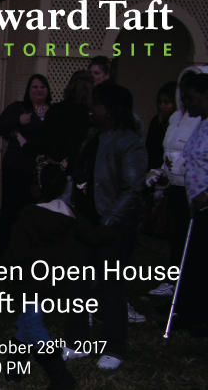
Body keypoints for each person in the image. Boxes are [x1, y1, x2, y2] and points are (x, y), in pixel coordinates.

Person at [2, 162, 114, 389]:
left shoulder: (29, 216)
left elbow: (17, 252)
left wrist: (6, 266)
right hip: (54, 281)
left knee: (34, 326)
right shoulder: (69, 213)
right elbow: (94, 237)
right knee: (27, 323)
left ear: (38, 188)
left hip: (29, 281)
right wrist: (114, 224)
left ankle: (62, 379)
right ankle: (14, 365)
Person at [66, 83, 147, 370]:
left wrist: (108, 222)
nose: (91, 107)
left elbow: (132, 189)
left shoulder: (128, 142)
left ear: (110, 110)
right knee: (75, 285)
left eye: (96, 103)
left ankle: (115, 348)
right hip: (85, 222)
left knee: (111, 288)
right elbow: (77, 177)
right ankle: (77, 342)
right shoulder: (92, 137)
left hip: (111, 226)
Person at [146, 67, 206, 298]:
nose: (186, 100)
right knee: (178, 238)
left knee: (194, 245)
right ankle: (176, 286)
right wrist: (162, 170)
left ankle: (191, 296)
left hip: (198, 191)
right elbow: (170, 149)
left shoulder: (201, 119)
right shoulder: (178, 118)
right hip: (179, 186)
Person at [0, 74, 52, 258]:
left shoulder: (53, 111)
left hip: (43, 171)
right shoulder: (19, 108)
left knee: (37, 214)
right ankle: (6, 253)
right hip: (17, 169)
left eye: (42, 86)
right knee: (13, 212)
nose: (39, 90)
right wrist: (19, 120)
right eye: (34, 87)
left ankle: (33, 253)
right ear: (28, 90)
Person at [175, 73, 208, 331]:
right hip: (195, 205)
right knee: (194, 262)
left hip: (206, 202)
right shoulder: (201, 123)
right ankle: (190, 312)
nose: (188, 105)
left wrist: (205, 195)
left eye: (193, 99)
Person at [23, 70, 93, 170]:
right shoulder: (92, 115)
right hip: (81, 168)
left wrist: (26, 146)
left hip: (57, 167)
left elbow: (44, 142)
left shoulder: (56, 110)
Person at [146, 81, 178, 171]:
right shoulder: (156, 122)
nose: (162, 106)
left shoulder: (181, 125)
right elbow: (150, 151)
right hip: (155, 171)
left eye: (166, 102)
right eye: (159, 102)